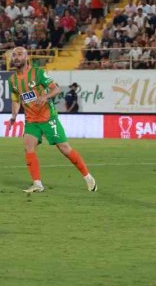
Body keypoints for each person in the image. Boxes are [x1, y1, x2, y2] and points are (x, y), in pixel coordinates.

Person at [8, 47, 96, 193]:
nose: (16, 57)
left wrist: (45, 97)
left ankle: (88, 177)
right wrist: (13, 116)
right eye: (14, 55)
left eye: (19, 54)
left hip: (48, 118)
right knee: (28, 147)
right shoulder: (12, 80)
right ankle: (37, 184)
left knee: (65, 149)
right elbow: (16, 99)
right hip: (31, 121)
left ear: (26, 57)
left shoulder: (38, 73)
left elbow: (56, 89)